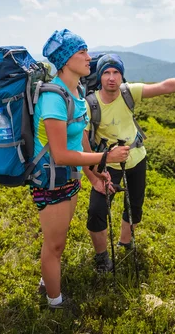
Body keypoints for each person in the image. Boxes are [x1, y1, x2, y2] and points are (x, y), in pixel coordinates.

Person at [82, 54, 175, 272]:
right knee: (96, 211)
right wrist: (94, 176)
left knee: (134, 207)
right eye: (106, 72)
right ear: (99, 76)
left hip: (137, 159)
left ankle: (125, 243)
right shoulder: (90, 104)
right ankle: (102, 257)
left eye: (116, 73)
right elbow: (83, 141)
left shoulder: (128, 92)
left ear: (122, 76)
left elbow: (166, 86)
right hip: (106, 165)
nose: (111, 78)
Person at [33, 31, 129, 308]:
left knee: (56, 240)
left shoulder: (75, 92)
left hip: (69, 178)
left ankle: (47, 281)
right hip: (50, 178)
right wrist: (105, 156)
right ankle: (54, 302)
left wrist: (93, 172)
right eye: (82, 53)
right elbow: (61, 153)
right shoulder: (53, 98)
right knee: (55, 246)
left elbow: (80, 139)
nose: (89, 58)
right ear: (65, 60)